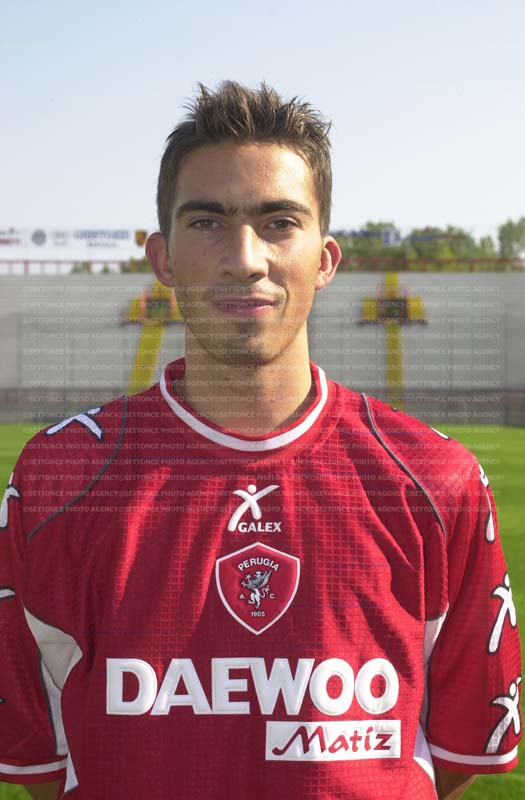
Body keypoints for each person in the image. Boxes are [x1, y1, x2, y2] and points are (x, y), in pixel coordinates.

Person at [0, 82, 521, 800]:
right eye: (207, 222)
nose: (244, 258)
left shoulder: (436, 477)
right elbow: (37, 754)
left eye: (278, 222)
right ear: (162, 258)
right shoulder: (60, 477)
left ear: (325, 259)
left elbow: (454, 754)